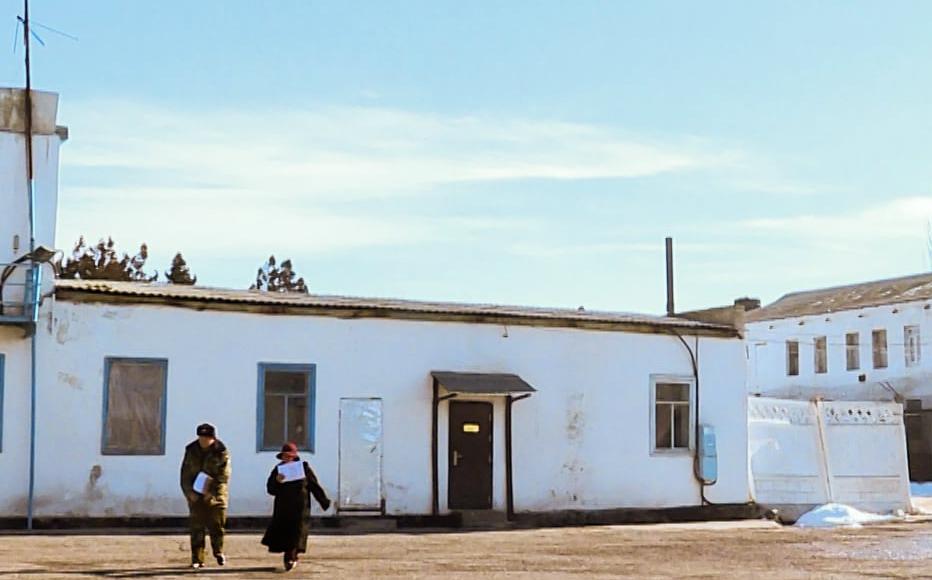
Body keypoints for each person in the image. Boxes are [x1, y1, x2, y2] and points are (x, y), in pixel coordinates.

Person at [261, 442, 331, 572]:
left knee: (297, 533)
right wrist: (277, 481)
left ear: (294, 456)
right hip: (284, 508)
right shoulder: (278, 470)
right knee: (286, 533)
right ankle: (289, 558)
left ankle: (292, 557)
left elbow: (314, 485)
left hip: (300, 507)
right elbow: (270, 489)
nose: (287, 459)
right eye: (284, 456)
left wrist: (323, 501)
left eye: (289, 456)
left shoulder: (303, 469)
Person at [180, 423, 231, 570]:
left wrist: (212, 493)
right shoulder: (191, 450)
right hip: (196, 493)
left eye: (207, 438)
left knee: (217, 525)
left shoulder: (221, 451)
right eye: (201, 438)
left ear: (213, 438)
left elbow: (223, 476)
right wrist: (189, 492)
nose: (203, 441)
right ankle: (197, 558)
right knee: (197, 527)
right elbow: (185, 473)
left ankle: (218, 551)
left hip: (216, 494)